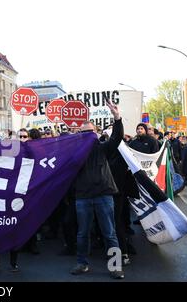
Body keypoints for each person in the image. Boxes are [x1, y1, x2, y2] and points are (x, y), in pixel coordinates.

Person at [70, 101, 125, 279]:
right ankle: (82, 263)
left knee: (109, 233)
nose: (87, 135)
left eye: (90, 132)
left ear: (96, 133)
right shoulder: (75, 151)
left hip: (103, 196)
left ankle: (115, 266)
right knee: (82, 234)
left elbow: (116, 138)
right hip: (83, 197)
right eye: (83, 132)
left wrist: (117, 118)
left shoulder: (103, 148)